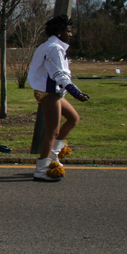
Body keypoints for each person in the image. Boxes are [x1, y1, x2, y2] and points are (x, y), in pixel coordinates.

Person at [27, 14, 89, 181]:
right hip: (49, 92)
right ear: (60, 31)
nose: (71, 34)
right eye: (68, 31)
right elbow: (59, 74)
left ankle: (54, 155)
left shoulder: (50, 46)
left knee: (73, 118)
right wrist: (76, 92)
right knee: (52, 132)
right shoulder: (54, 48)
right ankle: (41, 169)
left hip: (51, 92)